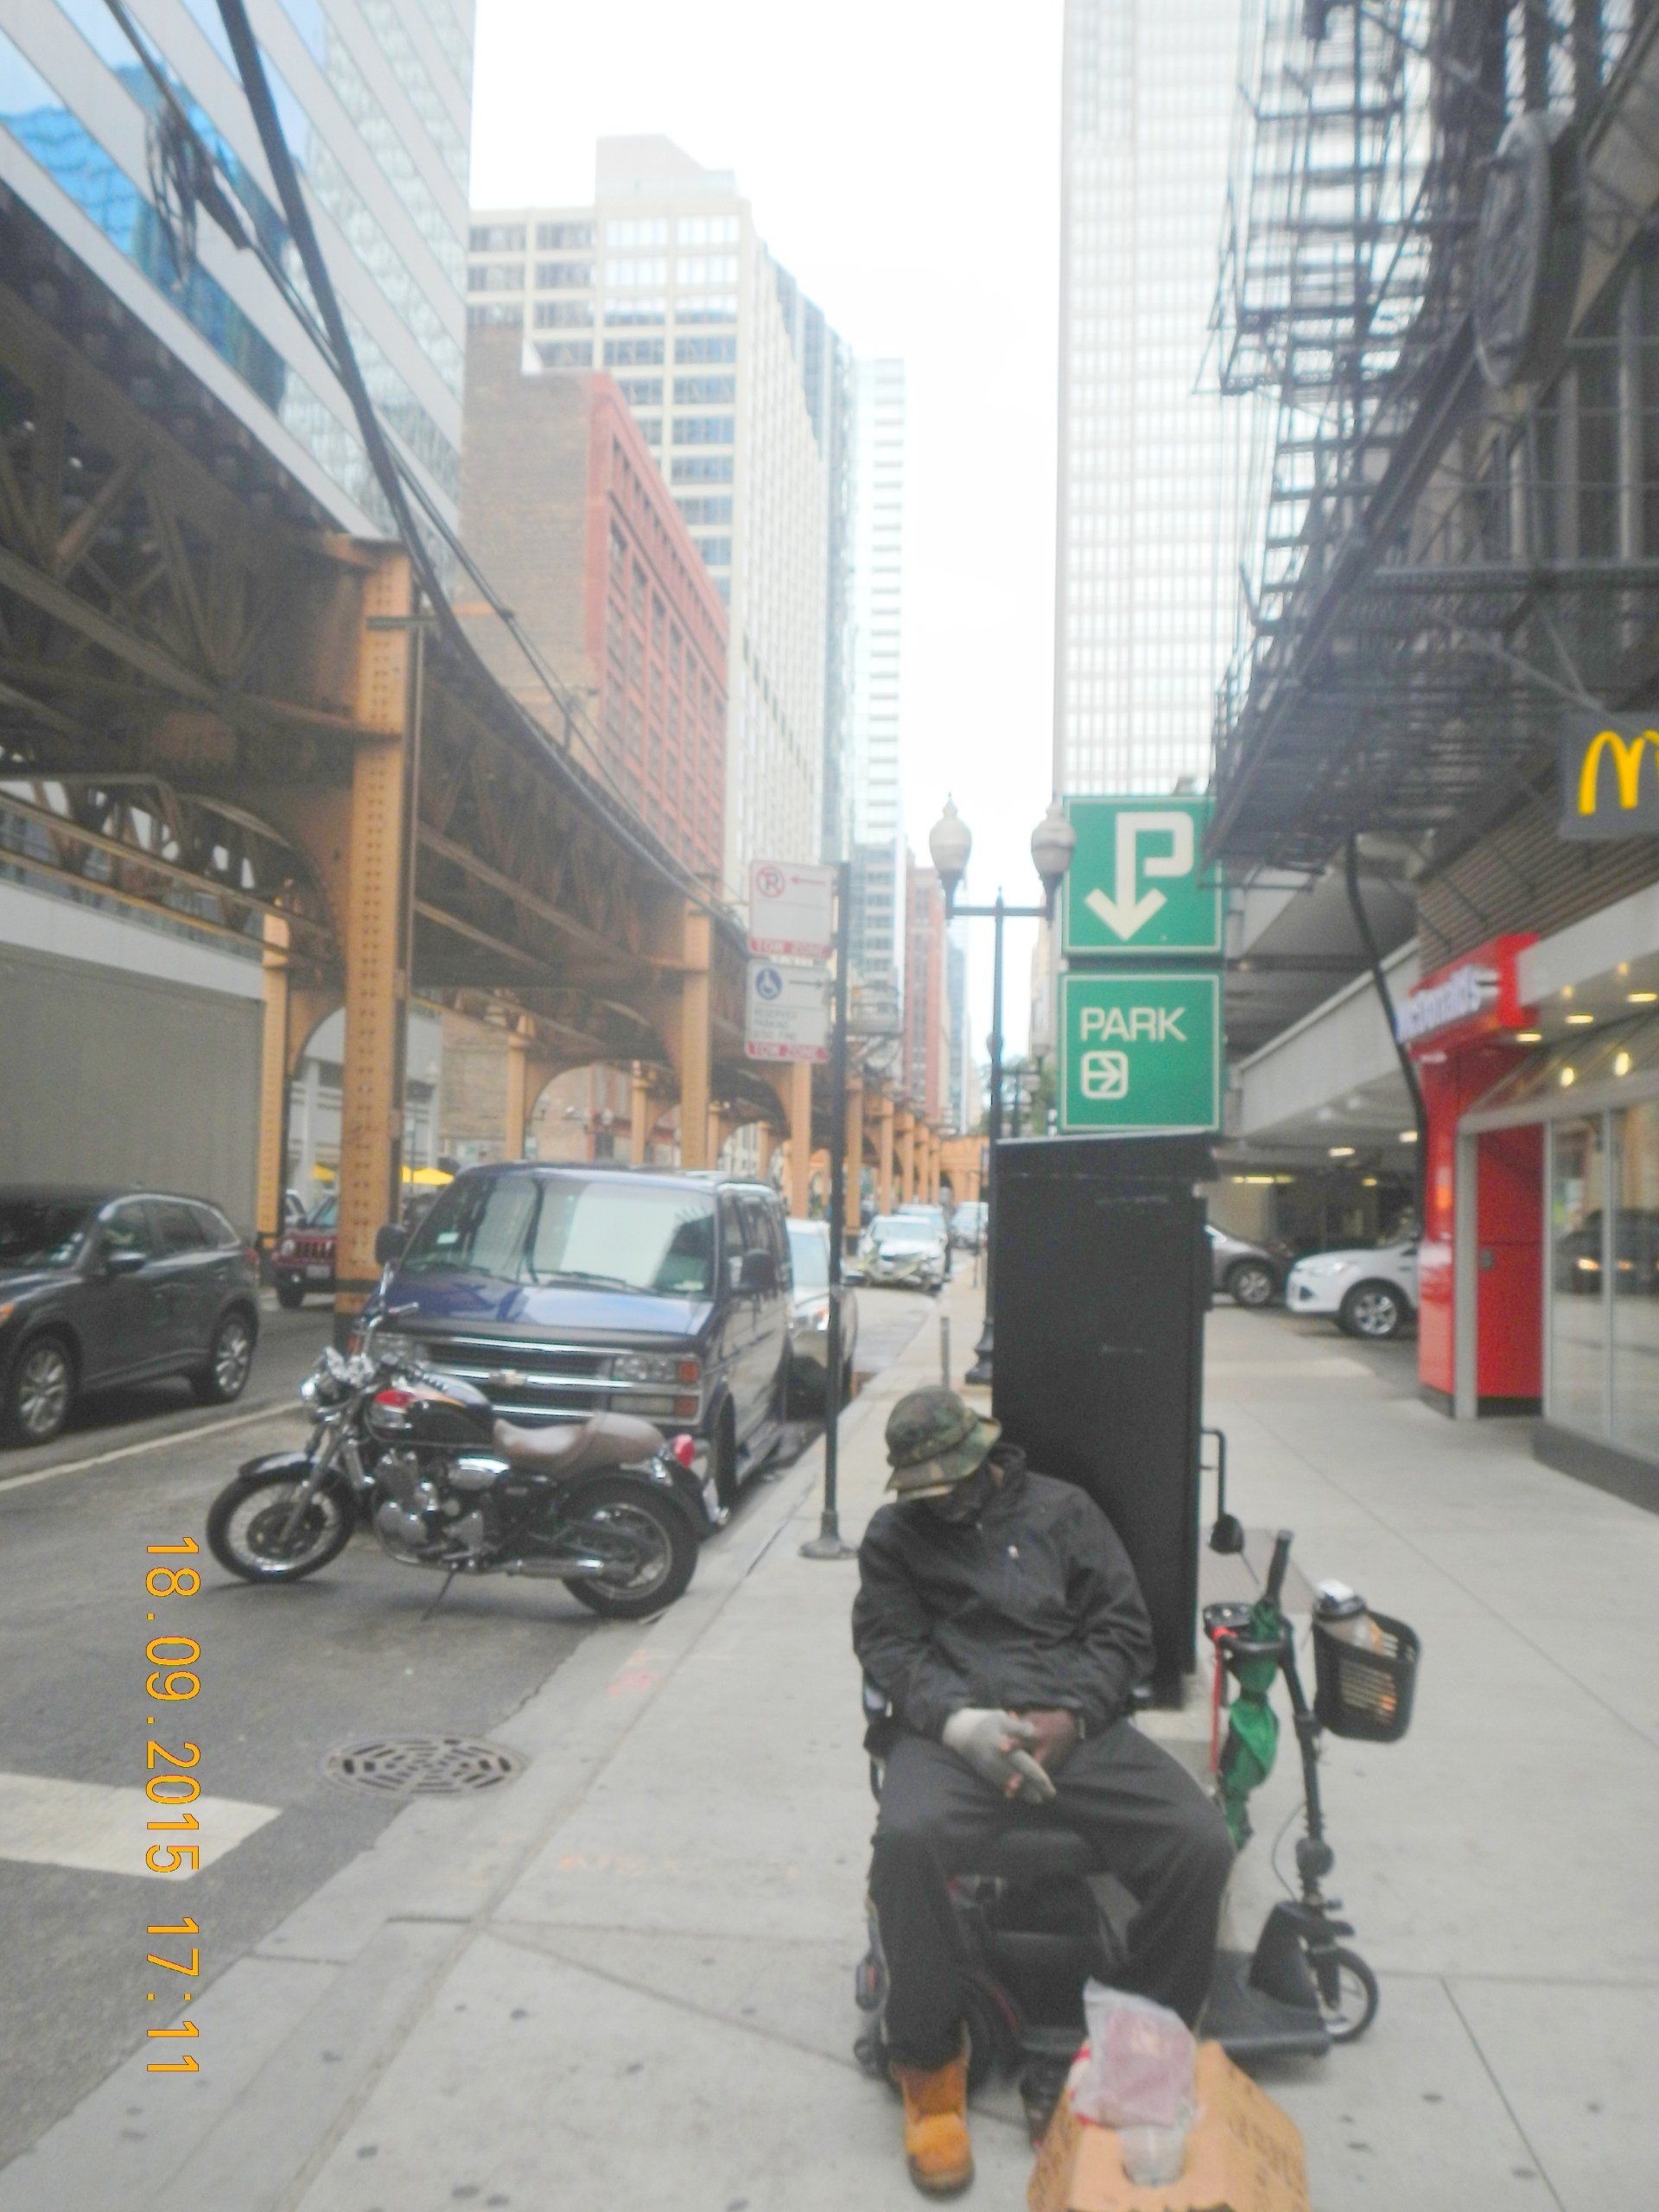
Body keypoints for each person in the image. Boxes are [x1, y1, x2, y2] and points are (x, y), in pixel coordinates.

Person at [852, 1387, 1234, 2198]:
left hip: (1073, 1727)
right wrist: (960, 1727)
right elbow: (891, 1646)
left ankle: (1138, 2052)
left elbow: (1123, 1632)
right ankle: (927, 2065)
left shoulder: (1065, 1513)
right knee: (906, 1839)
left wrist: (1075, 1717)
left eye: (953, 1483)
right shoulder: (895, 1538)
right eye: (928, 1492)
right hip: (955, 1732)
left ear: (985, 1458)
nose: (945, 1503)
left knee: (1198, 1843)